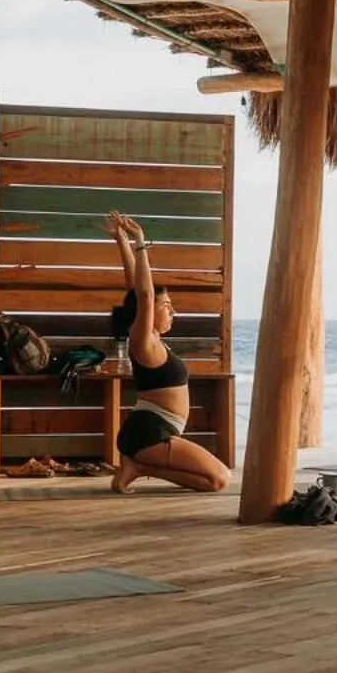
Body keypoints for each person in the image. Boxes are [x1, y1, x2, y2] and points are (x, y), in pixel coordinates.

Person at [106, 211, 232, 494]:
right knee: (221, 479)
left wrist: (121, 240)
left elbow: (135, 287)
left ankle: (137, 466)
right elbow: (143, 295)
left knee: (211, 482)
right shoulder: (142, 341)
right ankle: (139, 466)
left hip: (154, 433)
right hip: (148, 434)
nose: (173, 311)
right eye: (167, 305)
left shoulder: (152, 338)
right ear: (149, 310)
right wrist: (139, 241)